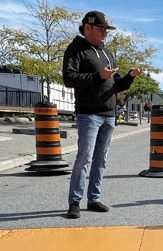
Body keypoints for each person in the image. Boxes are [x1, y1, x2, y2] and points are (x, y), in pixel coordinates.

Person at [62, 10, 143, 219]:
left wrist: (130, 77)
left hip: (109, 114)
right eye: (101, 29)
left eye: (106, 30)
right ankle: (74, 202)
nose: (105, 34)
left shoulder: (107, 52)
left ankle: (94, 198)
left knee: (101, 159)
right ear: (87, 27)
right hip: (89, 113)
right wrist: (98, 76)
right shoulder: (76, 49)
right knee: (85, 158)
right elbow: (69, 78)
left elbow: (116, 85)